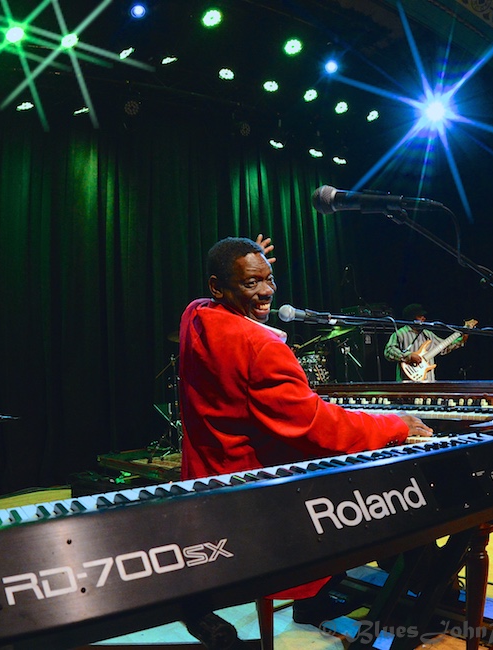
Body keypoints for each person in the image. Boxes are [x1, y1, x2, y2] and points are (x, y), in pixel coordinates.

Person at [178, 235, 433, 649]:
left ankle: (324, 598)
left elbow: (219, 291)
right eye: (250, 284)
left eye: (269, 278)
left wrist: (245, 268)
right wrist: (394, 424)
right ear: (217, 286)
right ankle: (402, 605)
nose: (265, 292)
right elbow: (319, 427)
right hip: (262, 496)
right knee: (393, 495)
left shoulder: (194, 316)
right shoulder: (260, 346)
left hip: (207, 481)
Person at [384, 303, 468, 382]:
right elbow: (389, 351)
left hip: (428, 382)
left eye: (423, 316)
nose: (423, 318)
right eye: (420, 316)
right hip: (407, 382)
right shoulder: (400, 333)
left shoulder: (428, 334)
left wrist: (461, 340)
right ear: (412, 317)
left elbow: (444, 347)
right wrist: (408, 356)